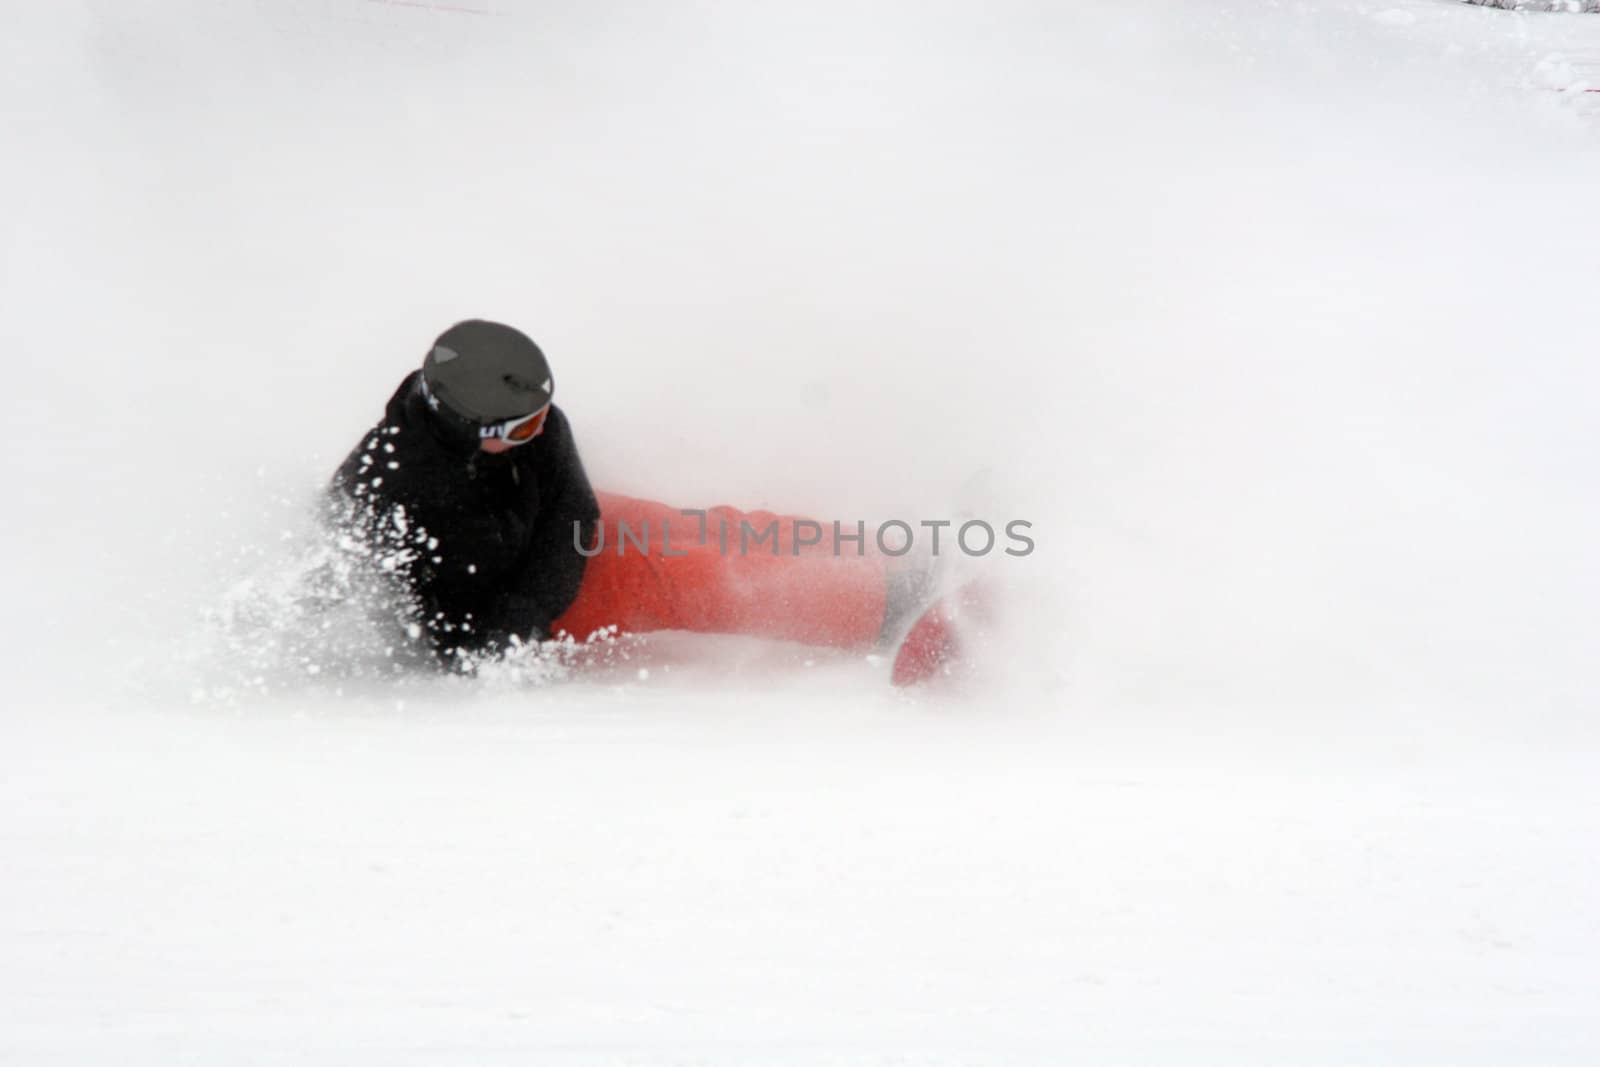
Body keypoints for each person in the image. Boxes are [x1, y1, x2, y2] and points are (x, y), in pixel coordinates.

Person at [328, 319, 933, 669]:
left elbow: (572, 501)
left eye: (539, 415)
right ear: (465, 424)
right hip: (525, 604)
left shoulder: (523, 417)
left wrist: (557, 547)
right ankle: (889, 610)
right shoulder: (387, 483)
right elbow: (358, 584)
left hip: (553, 542)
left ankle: (882, 559)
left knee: (709, 527)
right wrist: (498, 637)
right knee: (699, 577)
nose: (537, 431)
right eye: (519, 429)